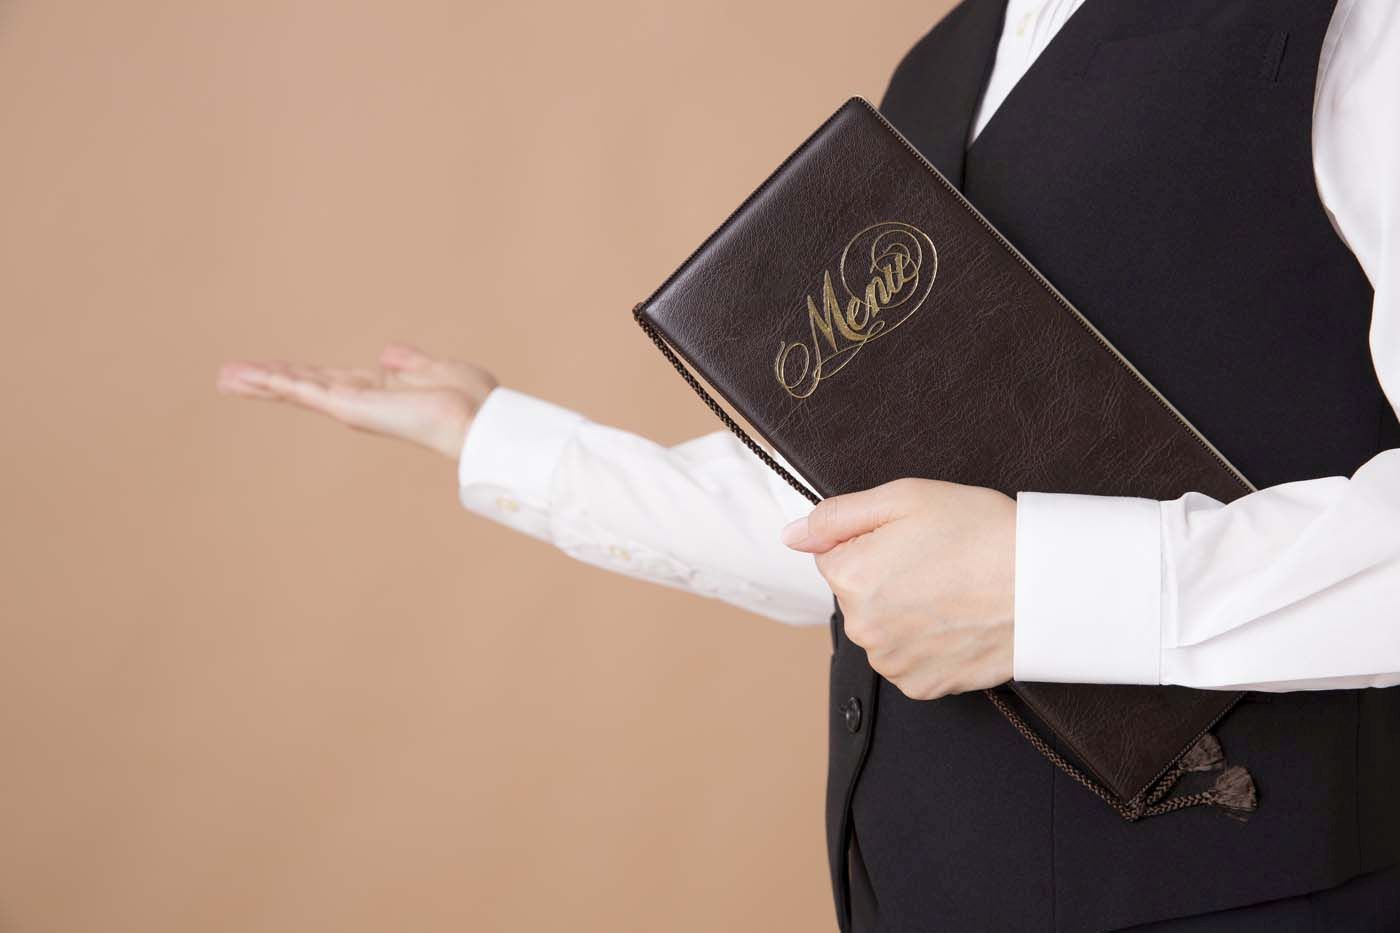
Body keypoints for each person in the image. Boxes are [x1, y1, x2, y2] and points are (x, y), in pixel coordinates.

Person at [220, 0, 1400, 929]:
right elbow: (858, 521)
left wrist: (1043, 585)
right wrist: (492, 435)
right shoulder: (943, 60)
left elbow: (991, 567)